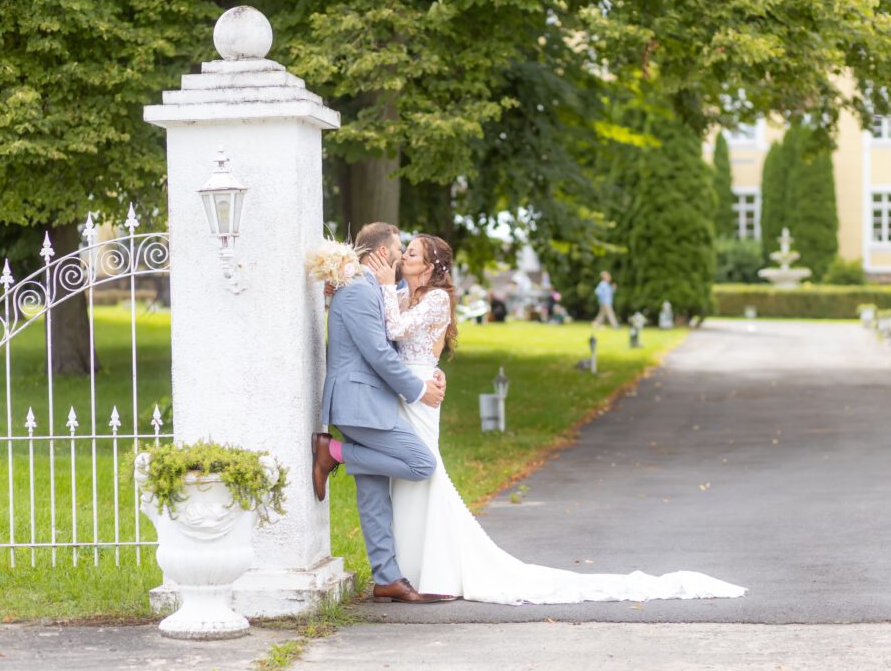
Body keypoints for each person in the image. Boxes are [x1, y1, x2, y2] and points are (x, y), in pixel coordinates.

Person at [365, 234, 746, 604]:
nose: (405, 259)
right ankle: (411, 568)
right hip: (405, 389)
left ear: (431, 267)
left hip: (419, 390)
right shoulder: (403, 293)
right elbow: (382, 324)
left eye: (412, 254)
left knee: (425, 472)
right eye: (406, 253)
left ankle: (440, 570)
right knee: (407, 475)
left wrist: (384, 286)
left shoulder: (435, 300)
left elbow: (396, 329)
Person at [311, 222, 457, 605]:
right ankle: (333, 453)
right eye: (398, 249)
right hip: (360, 402)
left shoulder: (369, 287)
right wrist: (418, 389)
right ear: (380, 252)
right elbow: (377, 351)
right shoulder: (360, 290)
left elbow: (398, 335)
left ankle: (386, 577)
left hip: (369, 402)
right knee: (421, 463)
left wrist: (427, 372)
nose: (400, 255)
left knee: (374, 493)